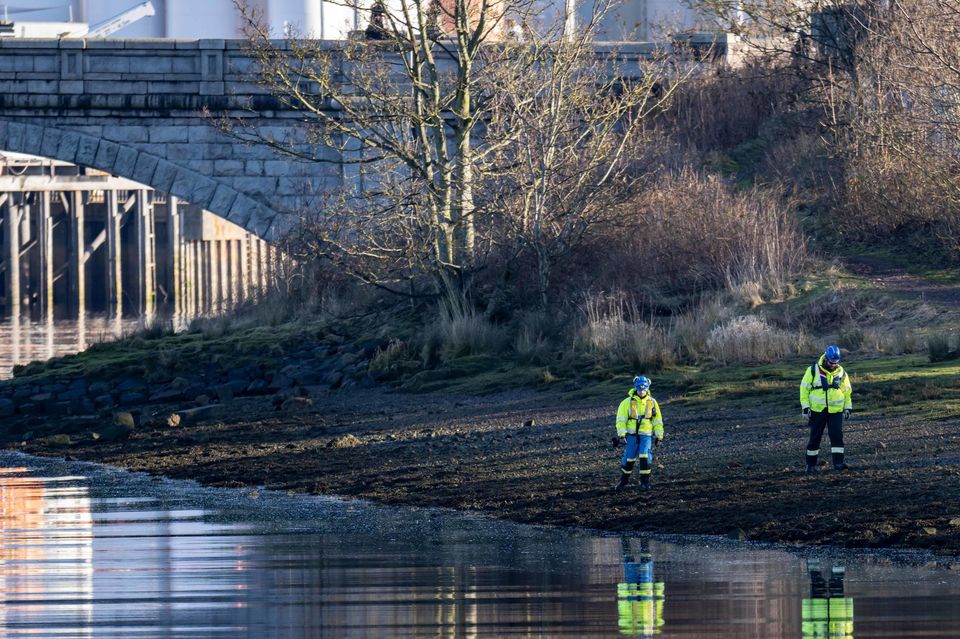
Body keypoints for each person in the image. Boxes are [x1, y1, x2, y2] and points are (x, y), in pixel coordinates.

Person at [800, 345, 853, 473]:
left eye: (836, 362)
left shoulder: (841, 372)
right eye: (831, 362)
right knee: (815, 437)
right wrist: (805, 407)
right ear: (825, 359)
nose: (834, 365)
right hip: (817, 410)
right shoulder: (812, 370)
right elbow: (804, 389)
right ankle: (810, 465)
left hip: (836, 411)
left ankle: (838, 463)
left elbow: (847, 392)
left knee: (837, 436)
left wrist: (848, 408)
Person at [614, 376, 664, 492]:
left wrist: (659, 435)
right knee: (629, 458)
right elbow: (620, 420)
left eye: (644, 389)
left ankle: (645, 483)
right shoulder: (626, 403)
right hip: (631, 435)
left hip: (646, 435)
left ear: (647, 388)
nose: (641, 391)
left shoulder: (652, 402)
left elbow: (657, 420)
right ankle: (623, 481)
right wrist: (622, 434)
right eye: (639, 389)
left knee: (645, 457)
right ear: (635, 388)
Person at [617, 537, 665, 636]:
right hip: (645, 590)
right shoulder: (654, 629)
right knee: (643, 561)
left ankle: (625, 536)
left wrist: (621, 590)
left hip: (633, 592)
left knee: (630, 561)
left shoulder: (628, 630)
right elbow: (659, 605)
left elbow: (623, 611)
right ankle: (643, 537)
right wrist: (660, 588)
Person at [802, 558, 854, 639]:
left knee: (820, 588)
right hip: (837, 616)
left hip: (822, 617)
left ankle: (835, 562)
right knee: (834, 589)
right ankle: (837, 561)